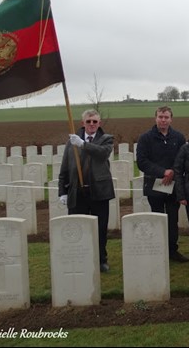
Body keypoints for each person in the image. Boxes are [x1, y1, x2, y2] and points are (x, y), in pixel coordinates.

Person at [58, 109, 115, 273]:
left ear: (99, 123)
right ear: (83, 123)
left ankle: (101, 260)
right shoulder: (71, 141)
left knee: (100, 228)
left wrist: (83, 144)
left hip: (99, 191)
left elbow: (102, 154)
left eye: (95, 121)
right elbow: (65, 168)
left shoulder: (106, 139)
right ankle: (79, 259)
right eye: (88, 121)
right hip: (77, 191)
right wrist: (62, 191)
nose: (91, 124)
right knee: (77, 227)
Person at [136, 106, 189, 263]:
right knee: (157, 218)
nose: (163, 120)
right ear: (155, 118)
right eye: (160, 117)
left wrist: (172, 171)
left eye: (166, 117)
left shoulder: (178, 137)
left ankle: (173, 250)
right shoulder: (145, 138)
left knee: (173, 219)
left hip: (173, 184)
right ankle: (158, 249)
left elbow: (183, 158)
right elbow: (142, 162)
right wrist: (162, 172)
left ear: (171, 119)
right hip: (155, 184)